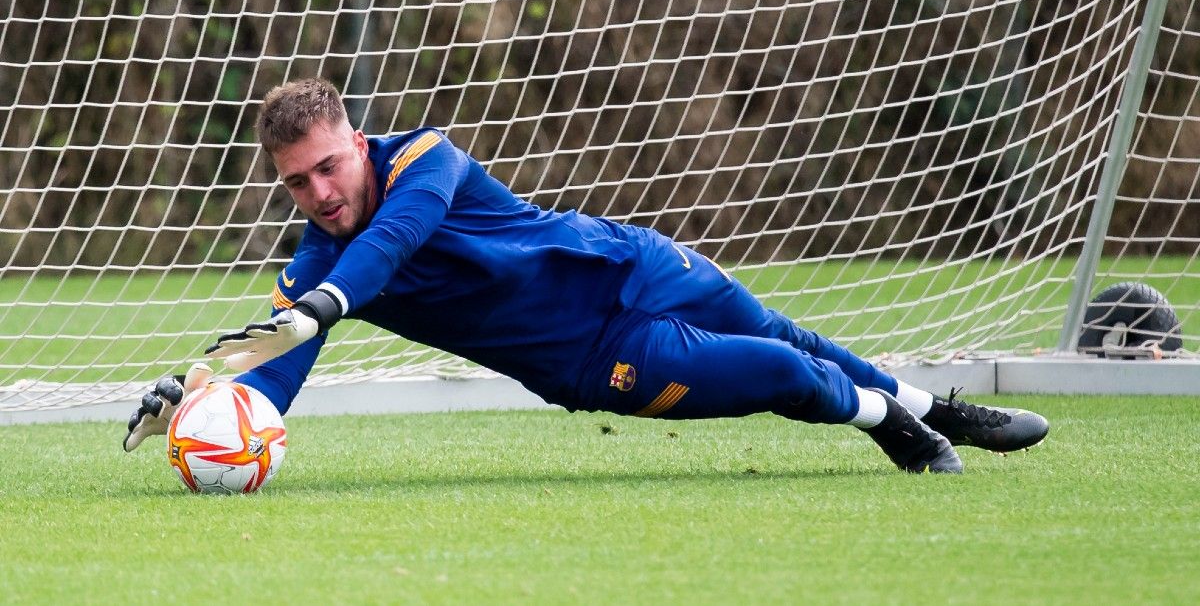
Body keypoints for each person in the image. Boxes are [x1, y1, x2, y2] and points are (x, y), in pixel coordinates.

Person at [124, 78, 1049, 473]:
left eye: (330, 166)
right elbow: (276, 371)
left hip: (629, 259)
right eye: (298, 182)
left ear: (357, 143)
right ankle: (896, 426)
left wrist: (327, 299)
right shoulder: (317, 267)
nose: (320, 192)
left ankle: (933, 404)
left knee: (785, 332)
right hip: (598, 355)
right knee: (782, 376)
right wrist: (209, 398)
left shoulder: (426, 160)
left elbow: (393, 242)